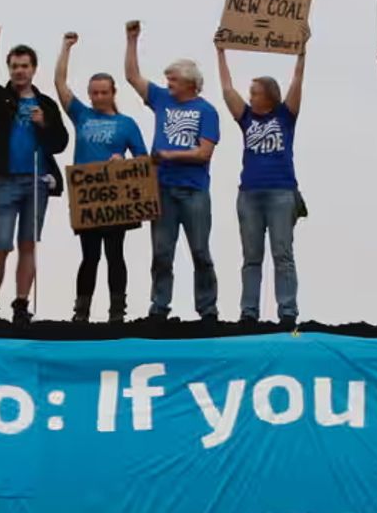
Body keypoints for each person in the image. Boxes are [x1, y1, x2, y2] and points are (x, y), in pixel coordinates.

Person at [124, 20, 221, 323]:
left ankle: (207, 309)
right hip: (163, 189)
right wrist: (131, 40)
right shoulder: (162, 101)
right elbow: (131, 76)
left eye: (173, 81)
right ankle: (159, 307)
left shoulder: (207, 111)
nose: (168, 85)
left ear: (189, 83)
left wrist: (170, 154)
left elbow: (204, 152)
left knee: (200, 252)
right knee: (162, 253)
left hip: (194, 191)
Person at [0, 26, 69, 327]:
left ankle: (21, 304)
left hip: (37, 181)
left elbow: (60, 143)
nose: (19, 71)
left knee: (28, 244)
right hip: (4, 180)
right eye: (14, 66)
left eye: (24, 66)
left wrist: (44, 124)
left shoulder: (47, 104)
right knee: (1, 245)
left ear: (33, 69)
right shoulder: (0, 98)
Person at [55, 32, 149, 324]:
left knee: (115, 253)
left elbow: (144, 161)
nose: (97, 97)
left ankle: (116, 312)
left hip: (114, 198)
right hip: (86, 199)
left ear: (112, 93)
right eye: (93, 93)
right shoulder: (81, 115)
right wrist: (66, 48)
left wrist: (122, 160)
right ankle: (81, 312)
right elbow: (60, 84)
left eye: (103, 92)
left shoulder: (126, 124)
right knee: (89, 256)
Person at [217, 34, 308, 326]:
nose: (249, 96)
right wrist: (221, 52)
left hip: (281, 191)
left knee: (282, 252)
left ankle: (288, 312)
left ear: (268, 95)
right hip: (250, 194)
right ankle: (249, 312)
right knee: (251, 256)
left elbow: (297, 83)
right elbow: (226, 89)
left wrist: (301, 52)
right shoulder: (245, 118)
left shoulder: (285, 116)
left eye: (254, 92)